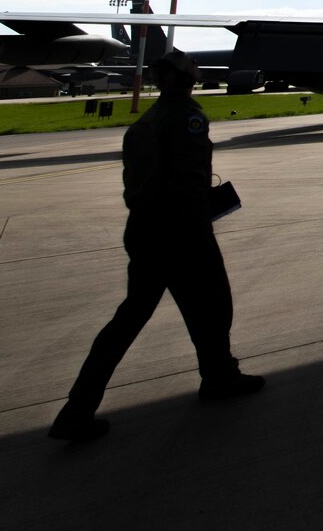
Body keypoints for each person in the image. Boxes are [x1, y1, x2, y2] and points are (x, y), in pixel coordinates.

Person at [49, 48, 262, 442]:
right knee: (214, 304)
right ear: (185, 79)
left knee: (129, 318)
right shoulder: (187, 118)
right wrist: (199, 232)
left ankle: (78, 407)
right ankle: (219, 377)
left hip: (144, 229)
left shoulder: (146, 121)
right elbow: (187, 182)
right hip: (180, 231)